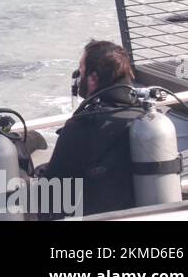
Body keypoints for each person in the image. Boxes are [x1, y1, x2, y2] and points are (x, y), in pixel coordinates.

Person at [39, 40, 142, 217]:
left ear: (93, 78)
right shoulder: (146, 117)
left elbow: (52, 190)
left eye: (82, 69)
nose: (78, 76)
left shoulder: (82, 126)